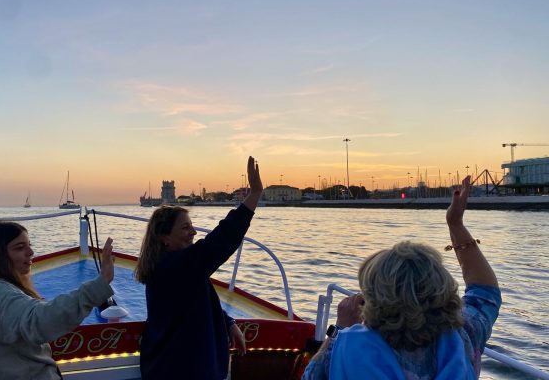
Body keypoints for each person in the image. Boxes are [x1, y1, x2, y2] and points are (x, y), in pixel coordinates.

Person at [302, 176, 501, 379]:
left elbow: (310, 376)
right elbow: (485, 292)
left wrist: (339, 329)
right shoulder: (464, 336)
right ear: (442, 289)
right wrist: (455, 224)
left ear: (373, 301)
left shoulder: (348, 348)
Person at [135, 156, 263, 380]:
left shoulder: (173, 267)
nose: (194, 233)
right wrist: (253, 196)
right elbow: (220, 241)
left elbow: (195, 301)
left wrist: (227, 322)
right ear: (164, 237)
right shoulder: (176, 268)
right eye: (186, 227)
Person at [0, 221, 116, 380]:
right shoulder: (0, 295)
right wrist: (100, 284)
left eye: (29, 245)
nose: (30, 252)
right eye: (20, 248)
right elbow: (42, 319)